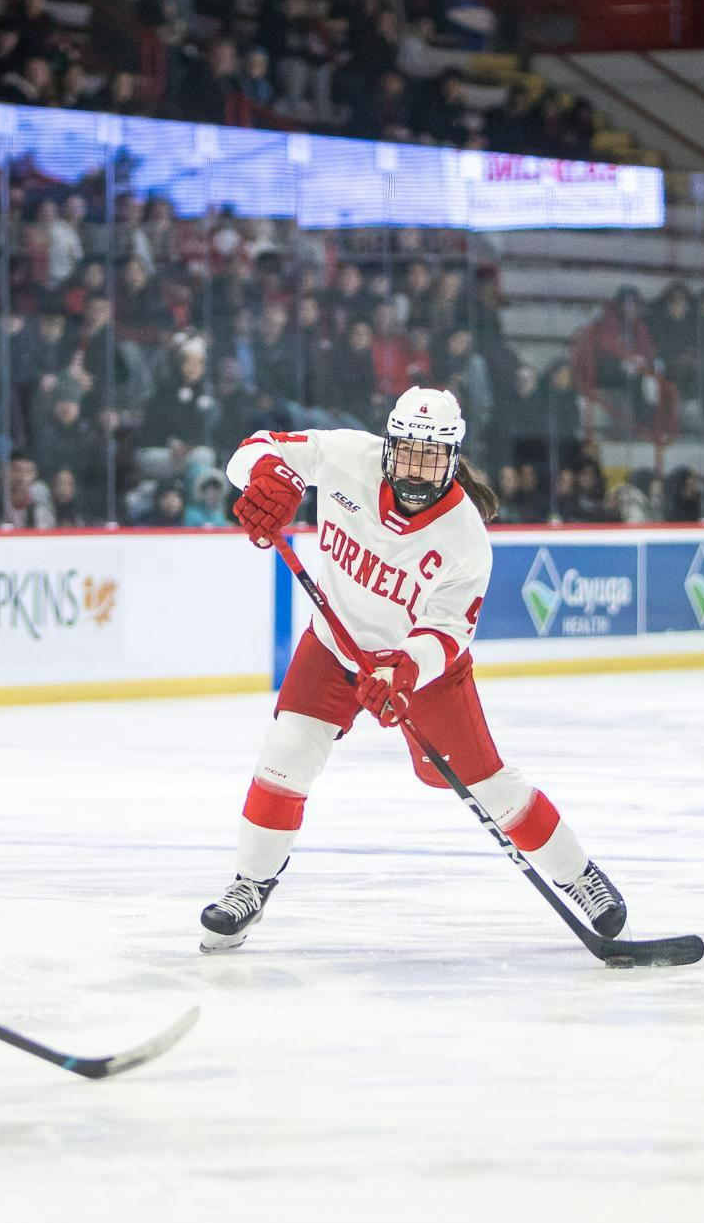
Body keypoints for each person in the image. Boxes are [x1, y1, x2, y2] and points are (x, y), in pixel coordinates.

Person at [198, 387, 631, 953]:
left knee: (490, 787)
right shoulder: (347, 454)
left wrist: (405, 669)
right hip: (333, 644)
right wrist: (272, 477)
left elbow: (450, 631)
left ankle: (579, 876)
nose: (416, 468)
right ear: (389, 443)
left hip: (420, 670)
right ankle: (250, 885)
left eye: (432, 456)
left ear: (453, 458)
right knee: (287, 752)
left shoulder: (464, 537)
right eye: (407, 451)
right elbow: (249, 452)